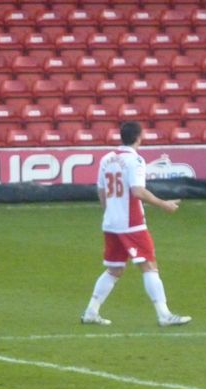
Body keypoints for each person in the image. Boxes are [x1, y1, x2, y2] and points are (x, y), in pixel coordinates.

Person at [81, 121, 191, 327]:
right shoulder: (135, 161)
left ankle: (91, 311)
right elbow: (137, 191)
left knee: (114, 270)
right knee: (149, 265)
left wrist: (109, 212)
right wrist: (163, 204)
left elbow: (101, 191)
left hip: (111, 222)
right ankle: (164, 314)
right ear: (139, 137)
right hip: (131, 223)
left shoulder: (106, 159)